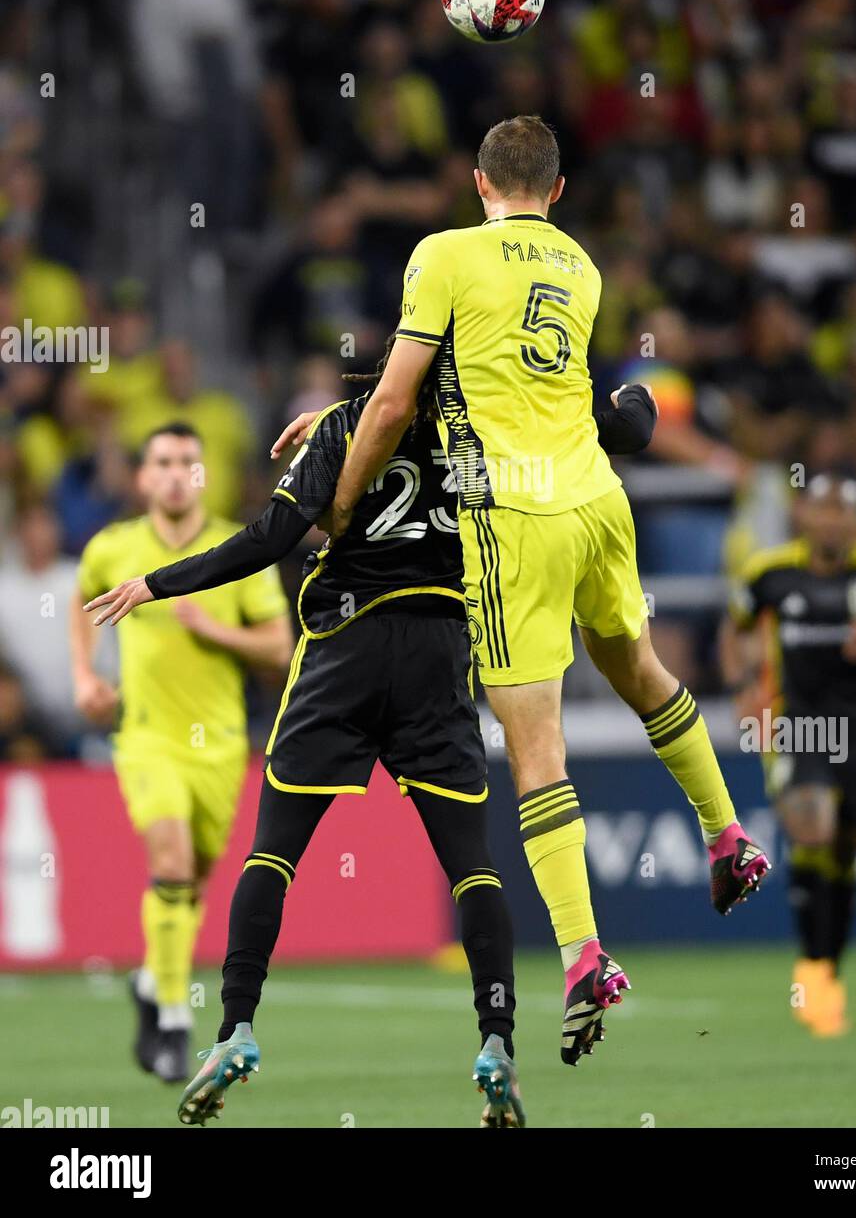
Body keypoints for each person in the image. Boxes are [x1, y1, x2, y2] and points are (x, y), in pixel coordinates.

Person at [270, 116, 770, 1065]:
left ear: (476, 183)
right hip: (596, 502)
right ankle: (728, 830)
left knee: (535, 747)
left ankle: (583, 953)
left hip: (515, 520)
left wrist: (337, 503)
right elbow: (527, 385)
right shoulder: (579, 269)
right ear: (559, 190)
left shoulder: (445, 253)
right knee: (643, 670)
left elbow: (399, 399)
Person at [83, 360, 657, 1121]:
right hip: (440, 653)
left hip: (343, 650)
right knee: (473, 869)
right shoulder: (495, 430)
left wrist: (157, 583)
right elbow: (633, 429)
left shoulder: (345, 425)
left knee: (272, 855)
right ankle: (496, 1042)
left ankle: (235, 1030)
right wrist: (624, 398)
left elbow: (270, 539)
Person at [71, 423, 292, 1082]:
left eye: (187, 463)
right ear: (142, 478)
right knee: (168, 864)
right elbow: (81, 607)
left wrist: (214, 629)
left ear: (202, 475)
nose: (173, 473)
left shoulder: (237, 549)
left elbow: (279, 648)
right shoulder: (114, 548)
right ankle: (172, 1017)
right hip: (145, 739)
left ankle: (149, 979)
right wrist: (85, 676)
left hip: (220, 747)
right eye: (162, 462)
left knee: (190, 883)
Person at [722, 474, 856, 1036]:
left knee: (846, 848)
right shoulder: (769, 573)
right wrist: (744, 682)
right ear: (803, 516)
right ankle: (812, 976)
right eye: (822, 509)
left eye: (843, 511)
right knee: (811, 832)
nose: (831, 521)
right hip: (798, 725)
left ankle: (829, 968)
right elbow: (736, 626)